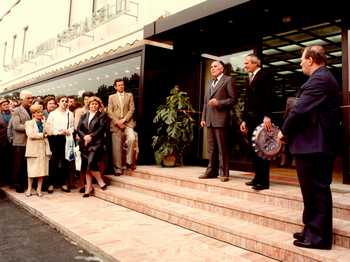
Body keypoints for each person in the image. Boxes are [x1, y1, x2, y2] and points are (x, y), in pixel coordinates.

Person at [278, 45, 340, 250]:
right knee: (311, 191)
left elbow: (299, 111)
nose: (300, 63)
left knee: (316, 191)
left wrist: (283, 132)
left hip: (314, 145)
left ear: (311, 60)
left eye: (302, 59)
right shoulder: (322, 78)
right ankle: (311, 229)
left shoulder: (320, 79)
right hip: (313, 144)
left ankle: (319, 237)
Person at [240, 54, 273, 190]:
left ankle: (264, 182)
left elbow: (270, 96)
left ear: (255, 63)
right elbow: (247, 102)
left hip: (261, 118)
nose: (245, 65)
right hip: (251, 119)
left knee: (262, 149)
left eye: (247, 63)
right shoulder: (250, 77)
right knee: (254, 149)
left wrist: (267, 115)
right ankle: (257, 178)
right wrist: (244, 120)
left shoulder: (265, 75)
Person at [199, 60, 235, 182]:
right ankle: (211, 171)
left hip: (221, 119)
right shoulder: (210, 82)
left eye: (215, 66)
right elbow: (205, 102)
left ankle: (224, 173)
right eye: (211, 67)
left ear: (222, 69)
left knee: (222, 148)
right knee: (211, 148)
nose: (212, 68)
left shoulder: (228, 80)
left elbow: (233, 99)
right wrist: (203, 118)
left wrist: (219, 103)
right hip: (209, 119)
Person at [77, 96, 108, 197]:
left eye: (96, 104)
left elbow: (101, 129)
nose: (94, 106)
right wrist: (84, 137)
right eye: (92, 104)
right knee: (86, 166)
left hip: (96, 143)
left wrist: (90, 136)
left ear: (98, 105)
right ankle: (88, 188)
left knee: (90, 163)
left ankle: (100, 181)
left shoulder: (102, 115)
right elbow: (79, 129)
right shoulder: (84, 116)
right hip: (85, 144)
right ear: (88, 105)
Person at [107, 79, 136, 175]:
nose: (121, 87)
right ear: (115, 87)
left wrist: (124, 120)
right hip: (116, 124)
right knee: (116, 148)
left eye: (122, 85)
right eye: (119, 85)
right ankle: (118, 169)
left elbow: (132, 109)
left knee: (132, 138)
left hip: (127, 123)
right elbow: (109, 111)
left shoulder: (129, 95)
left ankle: (128, 161)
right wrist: (117, 122)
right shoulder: (111, 97)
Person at [46, 96, 74, 193]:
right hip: (55, 138)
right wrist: (58, 132)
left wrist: (68, 131)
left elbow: (72, 127)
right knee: (54, 161)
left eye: (66, 101)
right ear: (58, 103)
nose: (65, 103)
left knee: (65, 161)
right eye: (62, 101)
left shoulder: (70, 114)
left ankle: (64, 183)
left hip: (66, 138)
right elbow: (49, 128)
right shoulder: (53, 114)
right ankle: (51, 184)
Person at [24, 104, 51, 197]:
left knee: (42, 171)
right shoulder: (29, 123)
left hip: (43, 149)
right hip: (33, 150)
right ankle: (29, 189)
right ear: (33, 114)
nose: (40, 114)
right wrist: (42, 135)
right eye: (38, 112)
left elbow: (50, 132)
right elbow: (31, 134)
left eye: (41, 112)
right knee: (31, 171)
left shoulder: (44, 122)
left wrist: (45, 123)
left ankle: (39, 189)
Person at [11, 90, 33, 192]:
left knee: (25, 164)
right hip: (19, 142)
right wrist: (31, 126)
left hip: (29, 141)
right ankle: (17, 184)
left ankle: (23, 183)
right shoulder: (17, 111)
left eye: (31, 98)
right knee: (18, 164)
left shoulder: (31, 110)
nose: (31, 100)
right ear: (21, 99)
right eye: (28, 98)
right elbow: (16, 126)